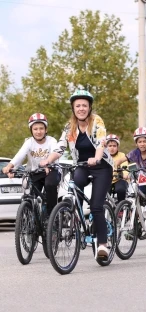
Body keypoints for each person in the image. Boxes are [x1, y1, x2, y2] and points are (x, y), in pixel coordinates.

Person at [40, 89, 113, 260]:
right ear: (73, 108)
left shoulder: (97, 121)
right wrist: (48, 160)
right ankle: (77, 219)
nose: (81, 108)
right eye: (78, 105)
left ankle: (103, 245)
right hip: (82, 165)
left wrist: (96, 157)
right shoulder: (69, 126)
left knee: (96, 206)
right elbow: (60, 147)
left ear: (89, 107)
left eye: (84, 105)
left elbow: (102, 142)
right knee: (74, 186)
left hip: (101, 166)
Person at [2, 113, 60, 221]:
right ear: (31, 130)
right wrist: (9, 166)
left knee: (50, 184)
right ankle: (31, 221)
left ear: (46, 130)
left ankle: (52, 217)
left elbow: (54, 153)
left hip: (51, 171)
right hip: (35, 172)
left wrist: (48, 163)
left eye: (41, 128)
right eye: (35, 129)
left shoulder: (52, 141)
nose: (38, 131)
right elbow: (20, 155)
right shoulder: (29, 142)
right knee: (29, 194)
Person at [114, 127, 146, 223]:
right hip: (143, 180)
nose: (142, 144)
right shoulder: (134, 153)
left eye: (144, 141)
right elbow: (121, 159)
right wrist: (115, 165)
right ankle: (137, 224)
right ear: (136, 143)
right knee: (135, 196)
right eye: (140, 141)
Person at [106, 134, 128, 203]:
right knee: (101, 191)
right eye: (110, 146)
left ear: (117, 147)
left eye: (114, 146)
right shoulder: (103, 155)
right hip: (107, 180)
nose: (112, 148)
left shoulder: (122, 155)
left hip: (119, 179)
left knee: (120, 189)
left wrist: (124, 174)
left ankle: (121, 208)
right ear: (106, 147)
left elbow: (125, 167)